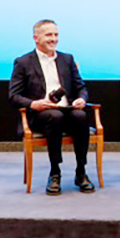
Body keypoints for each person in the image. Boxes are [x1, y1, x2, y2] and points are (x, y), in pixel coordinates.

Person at [9, 19, 96, 196]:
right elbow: (14, 96)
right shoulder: (23, 62)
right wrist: (34, 104)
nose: (54, 39)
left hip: (66, 111)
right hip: (41, 115)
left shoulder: (67, 59)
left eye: (56, 35)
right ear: (36, 38)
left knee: (80, 116)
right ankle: (55, 172)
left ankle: (81, 171)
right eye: (49, 35)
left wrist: (81, 99)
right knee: (54, 116)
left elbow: (81, 87)